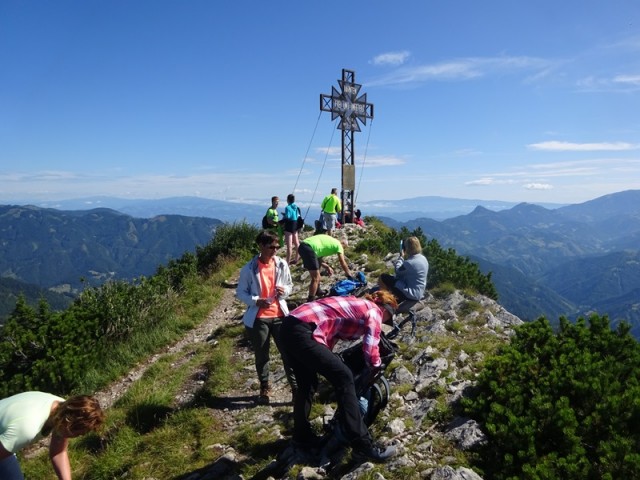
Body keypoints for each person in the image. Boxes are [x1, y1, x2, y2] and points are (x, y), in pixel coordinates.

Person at [279, 291, 399, 463]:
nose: (384, 320)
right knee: (344, 377)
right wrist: (376, 365)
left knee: (307, 384)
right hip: (302, 328)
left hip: (291, 326)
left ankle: (301, 437)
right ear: (385, 308)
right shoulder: (374, 310)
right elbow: (371, 346)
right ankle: (362, 445)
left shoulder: (354, 305)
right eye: (387, 316)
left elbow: (328, 335)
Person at [236, 230, 297, 404]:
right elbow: (240, 292)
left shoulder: (282, 264)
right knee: (262, 355)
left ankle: (295, 388)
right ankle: (264, 387)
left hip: (280, 315)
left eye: (277, 246)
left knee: (288, 354)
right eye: (271, 246)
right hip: (258, 319)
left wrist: (284, 291)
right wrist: (256, 301)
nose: (275, 250)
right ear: (261, 246)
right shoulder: (249, 269)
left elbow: (289, 285)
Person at [0, 391, 105, 480]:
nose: (80, 436)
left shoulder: (60, 407)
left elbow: (58, 453)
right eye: (78, 433)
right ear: (69, 423)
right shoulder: (28, 428)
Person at [298, 234, 353, 302]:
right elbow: (342, 261)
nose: (343, 250)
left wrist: (327, 267)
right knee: (316, 278)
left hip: (302, 246)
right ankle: (310, 300)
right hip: (309, 248)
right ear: (343, 243)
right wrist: (349, 275)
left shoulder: (331, 241)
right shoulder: (339, 245)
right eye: (344, 248)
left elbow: (318, 259)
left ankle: (318, 291)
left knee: (318, 272)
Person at [379, 236, 429, 304]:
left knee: (383, 277)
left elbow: (398, 271)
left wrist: (401, 257)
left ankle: (384, 299)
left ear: (408, 248)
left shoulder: (409, 262)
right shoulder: (423, 258)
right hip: (419, 292)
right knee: (395, 281)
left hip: (410, 293)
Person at [282, 194, 302, 265]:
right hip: (295, 225)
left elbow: (288, 216)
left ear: (288, 200)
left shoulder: (287, 207)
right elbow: (297, 216)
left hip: (289, 226)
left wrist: (283, 217)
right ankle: (297, 258)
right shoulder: (296, 207)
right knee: (297, 243)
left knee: (289, 246)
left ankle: (287, 262)